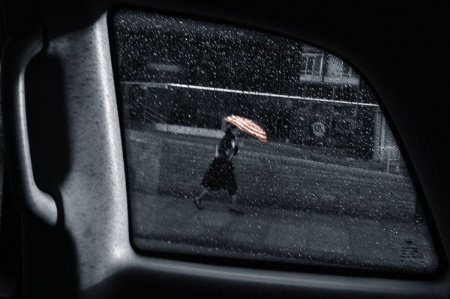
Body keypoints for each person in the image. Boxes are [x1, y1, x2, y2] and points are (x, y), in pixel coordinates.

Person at [191, 123, 244, 215]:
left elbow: (233, 153)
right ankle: (233, 207)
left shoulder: (231, 139)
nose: (238, 133)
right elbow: (223, 152)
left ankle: (198, 199)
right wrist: (233, 148)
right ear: (232, 130)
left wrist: (237, 147)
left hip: (222, 166)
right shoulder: (227, 138)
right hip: (222, 166)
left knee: (214, 185)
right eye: (237, 131)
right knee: (231, 186)